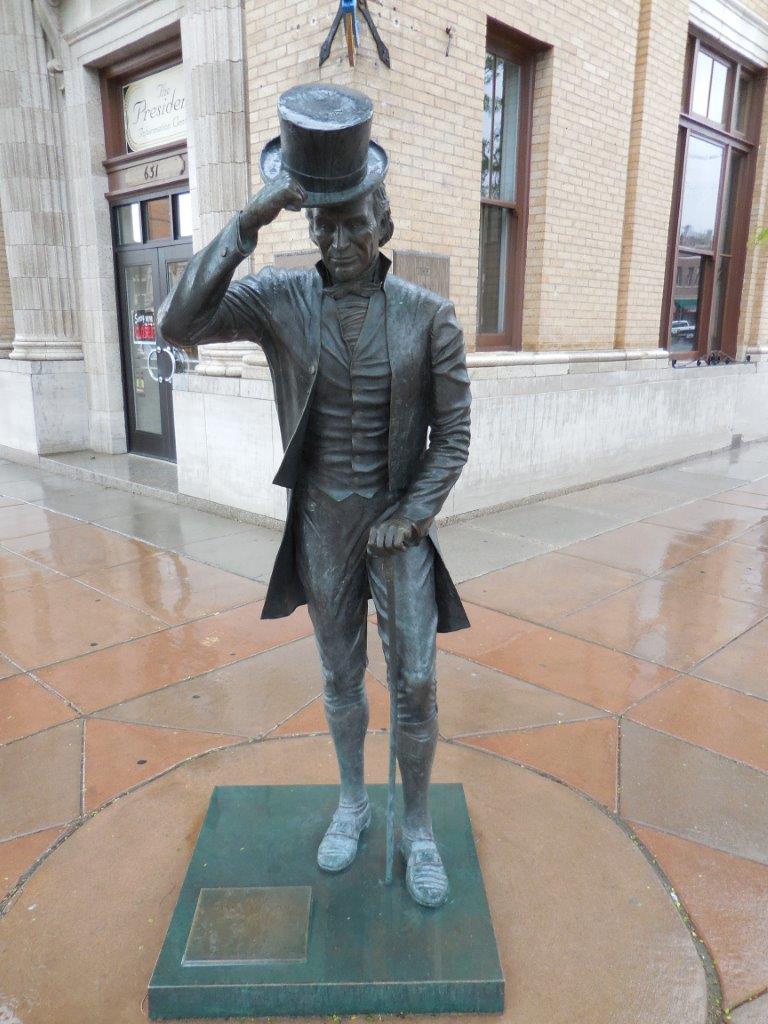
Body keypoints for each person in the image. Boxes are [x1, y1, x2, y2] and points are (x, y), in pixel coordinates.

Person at [159, 84, 471, 908]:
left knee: (416, 681)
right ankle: (352, 804)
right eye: (324, 224)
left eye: (355, 222)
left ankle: (417, 826)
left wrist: (412, 514)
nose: (338, 239)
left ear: (385, 227)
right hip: (324, 523)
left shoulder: (429, 317)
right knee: (340, 677)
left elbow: (456, 439)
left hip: (396, 527)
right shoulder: (278, 301)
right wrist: (250, 219)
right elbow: (178, 322)